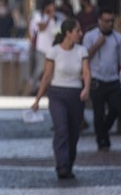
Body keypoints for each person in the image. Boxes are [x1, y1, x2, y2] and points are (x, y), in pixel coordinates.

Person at [31, 18, 90, 179]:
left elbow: (86, 72)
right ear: (68, 33)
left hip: (76, 95)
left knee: (73, 132)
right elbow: (46, 76)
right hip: (57, 94)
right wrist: (37, 99)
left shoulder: (81, 50)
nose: (80, 33)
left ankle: (69, 164)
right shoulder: (54, 52)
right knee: (61, 129)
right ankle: (62, 166)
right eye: (77, 30)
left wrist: (86, 88)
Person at [83, 8, 121, 151]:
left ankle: (103, 132)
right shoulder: (90, 36)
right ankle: (101, 140)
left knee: (116, 108)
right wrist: (97, 45)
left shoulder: (118, 38)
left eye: (111, 21)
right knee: (98, 112)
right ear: (99, 21)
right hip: (97, 78)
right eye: (106, 21)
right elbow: (84, 57)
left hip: (113, 79)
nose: (109, 24)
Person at [28, 0, 61, 96]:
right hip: (42, 47)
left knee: (51, 70)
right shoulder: (39, 15)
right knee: (40, 69)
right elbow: (41, 28)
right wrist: (48, 18)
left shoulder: (57, 17)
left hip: (53, 47)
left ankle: (48, 88)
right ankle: (32, 87)